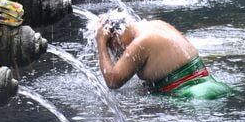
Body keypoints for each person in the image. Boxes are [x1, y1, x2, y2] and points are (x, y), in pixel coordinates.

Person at [95, 14, 232, 100]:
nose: (115, 52)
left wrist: (101, 42)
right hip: (209, 82)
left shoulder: (140, 42)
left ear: (115, 37)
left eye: (111, 46)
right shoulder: (157, 24)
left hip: (192, 96)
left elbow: (113, 81)